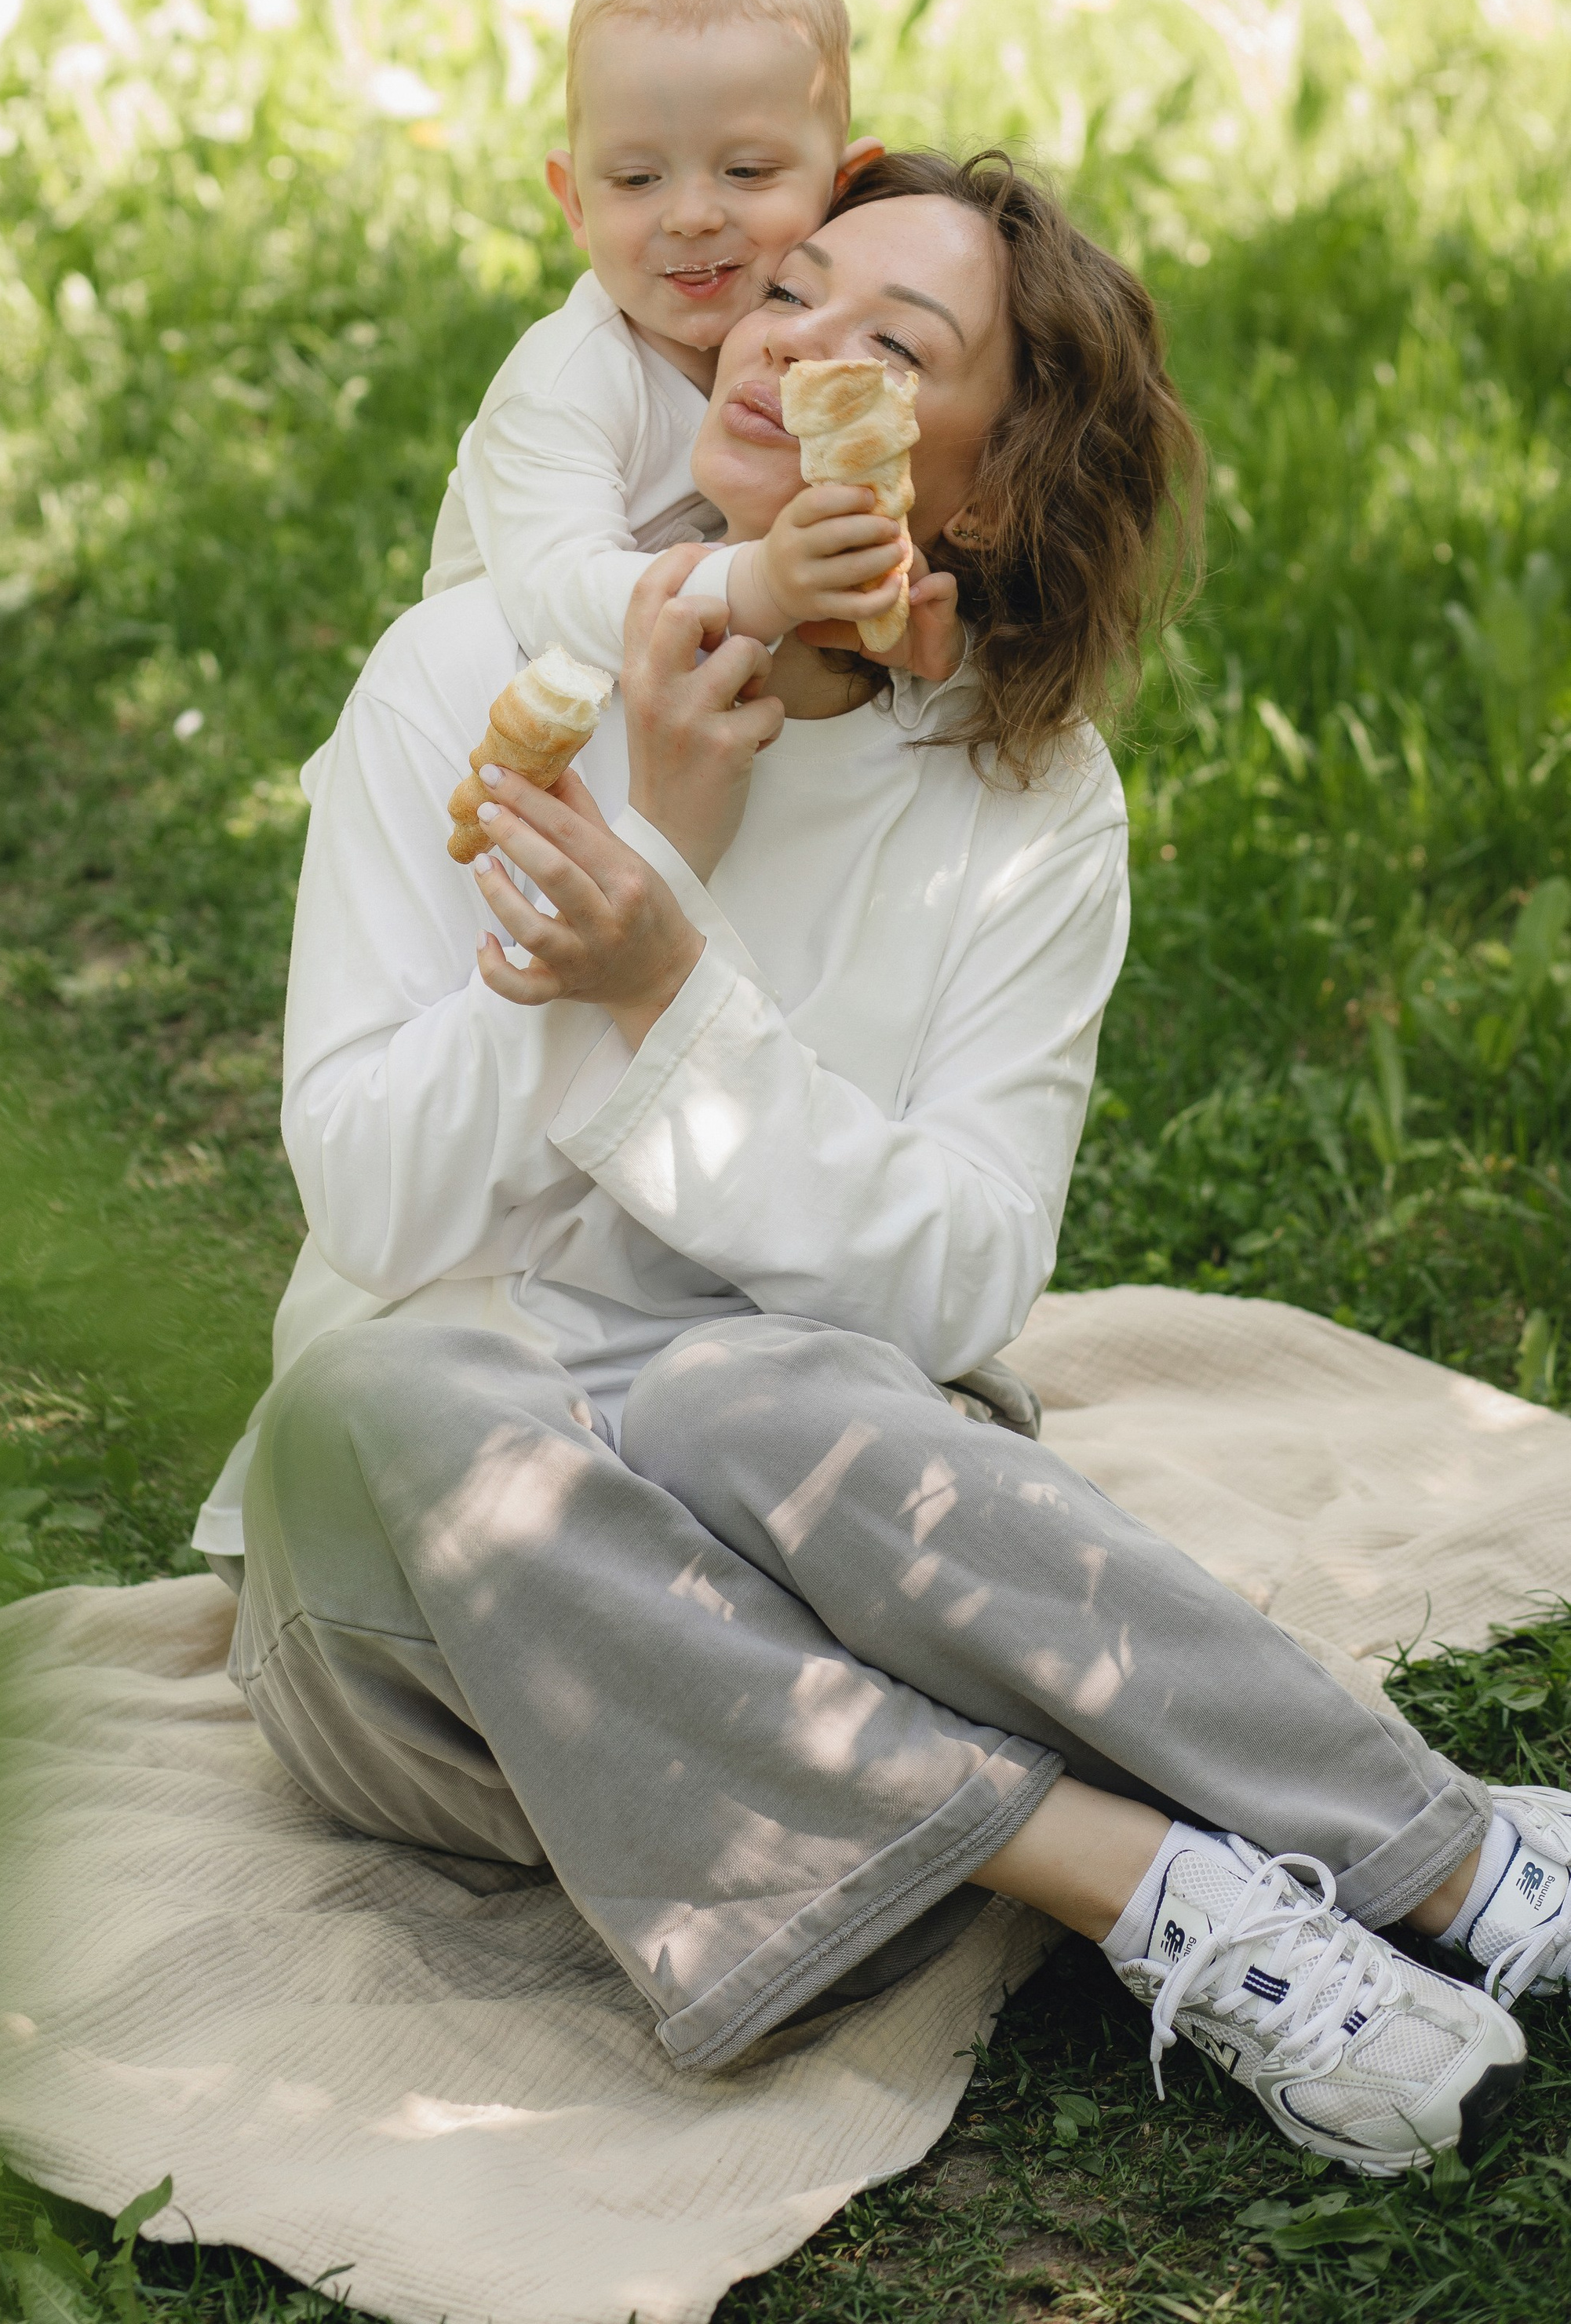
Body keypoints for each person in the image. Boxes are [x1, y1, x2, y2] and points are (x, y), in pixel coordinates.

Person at [195, 154, 1571, 2174]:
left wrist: (674, 991)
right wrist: (647, 854)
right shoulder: (462, 679)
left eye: (890, 345)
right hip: (440, 1626)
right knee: (383, 1386)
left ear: (989, 493)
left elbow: (951, 1289)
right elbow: (379, 1214)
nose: (788, 347)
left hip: (827, 1529)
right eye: (790, 288)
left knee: (751, 1380)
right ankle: (1143, 1876)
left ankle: (1443, 1871)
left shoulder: (1021, 801)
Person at [423, 0, 924, 671]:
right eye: (636, 180)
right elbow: (560, 604)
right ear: (577, 204)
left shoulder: (814, 359)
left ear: (842, 187)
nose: (691, 216)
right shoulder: (564, 389)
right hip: (479, 742)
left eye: (748, 171)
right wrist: (762, 583)